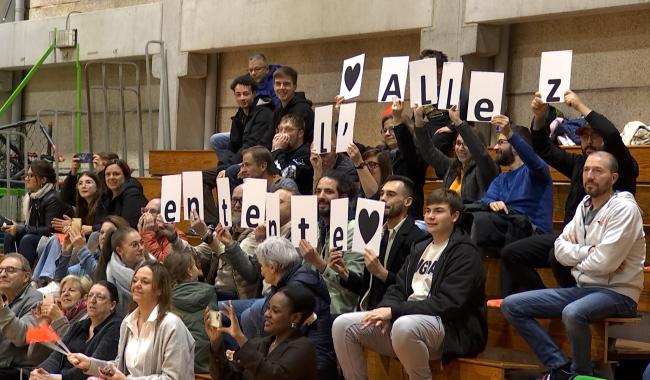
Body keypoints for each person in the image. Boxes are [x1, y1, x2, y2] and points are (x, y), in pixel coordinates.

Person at [501, 151, 645, 380]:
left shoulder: (624, 209)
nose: (590, 175)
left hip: (619, 292)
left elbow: (605, 262)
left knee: (573, 312)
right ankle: (560, 367)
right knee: (512, 305)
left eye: (598, 171)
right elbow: (559, 250)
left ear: (614, 178)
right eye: (587, 170)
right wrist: (588, 253)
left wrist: (577, 260)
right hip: (585, 288)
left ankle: (581, 374)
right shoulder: (584, 206)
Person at [332, 188, 487, 380]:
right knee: (343, 325)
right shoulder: (420, 247)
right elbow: (397, 287)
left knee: (404, 326)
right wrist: (384, 310)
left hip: (450, 328)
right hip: (408, 324)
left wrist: (395, 312)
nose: (430, 216)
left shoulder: (465, 252)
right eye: (428, 211)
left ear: (454, 216)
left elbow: (448, 303)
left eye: (438, 211)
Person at [501, 90, 639, 295]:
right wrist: (539, 117)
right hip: (572, 236)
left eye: (594, 136)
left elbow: (611, 133)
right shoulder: (579, 164)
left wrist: (579, 106)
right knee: (512, 253)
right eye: (584, 137)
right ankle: (546, 298)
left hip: (605, 241)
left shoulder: (623, 166)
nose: (589, 142)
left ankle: (571, 297)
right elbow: (543, 148)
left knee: (555, 257)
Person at [223, 237, 336, 380]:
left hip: (312, 367)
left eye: (262, 265)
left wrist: (246, 352)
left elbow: (288, 343)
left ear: (272, 266)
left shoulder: (297, 288)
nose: (260, 270)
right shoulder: (286, 282)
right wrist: (243, 355)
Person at [68, 262, 195, 379]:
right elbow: (120, 366)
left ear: (159, 290)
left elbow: (173, 377)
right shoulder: (128, 322)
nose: (137, 285)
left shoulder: (172, 325)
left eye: (145, 282)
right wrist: (90, 364)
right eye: (135, 280)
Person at [337, 176, 429, 310]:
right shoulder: (374, 232)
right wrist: (344, 273)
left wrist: (381, 273)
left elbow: (412, 288)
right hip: (365, 309)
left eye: (390, 194)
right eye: (382, 194)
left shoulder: (418, 238)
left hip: (392, 312)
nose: (383, 198)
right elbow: (367, 287)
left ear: (407, 201)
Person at [469, 116, 553, 246]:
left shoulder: (536, 172)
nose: (495, 147)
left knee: (480, 221)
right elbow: (487, 199)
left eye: (501, 142)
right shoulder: (501, 178)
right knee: (465, 217)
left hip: (534, 232)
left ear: (515, 146)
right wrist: (492, 203)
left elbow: (533, 160)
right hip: (508, 226)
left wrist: (509, 133)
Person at [206, 284, 317, 380]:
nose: (266, 314)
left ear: (295, 317)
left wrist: (240, 337)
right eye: (268, 308)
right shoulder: (261, 343)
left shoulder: (304, 348)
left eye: (275, 311)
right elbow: (226, 377)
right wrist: (216, 343)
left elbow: (273, 376)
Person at [299, 171, 364, 314]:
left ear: (343, 198)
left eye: (328, 192)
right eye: (318, 191)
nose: (321, 196)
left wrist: (318, 262)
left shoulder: (355, 230)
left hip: (338, 304)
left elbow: (355, 284)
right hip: (310, 295)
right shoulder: (314, 227)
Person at [30, 281, 122, 380]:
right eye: (90, 296)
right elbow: (56, 357)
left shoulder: (115, 327)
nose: (92, 300)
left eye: (100, 297)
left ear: (112, 305)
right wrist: (40, 371)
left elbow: (95, 367)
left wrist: (57, 378)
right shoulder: (80, 325)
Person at [414, 104, 499, 203]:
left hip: (471, 216)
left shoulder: (486, 168)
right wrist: (419, 122)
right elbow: (429, 152)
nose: (461, 148)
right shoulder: (452, 166)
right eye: (458, 143)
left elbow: (481, 154)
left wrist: (458, 122)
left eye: (466, 144)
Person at [2, 160, 70, 265]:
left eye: (31, 176)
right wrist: (18, 227)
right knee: (10, 235)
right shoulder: (33, 197)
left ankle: (25, 273)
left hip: (56, 239)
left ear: (43, 179)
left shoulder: (53, 198)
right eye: (26, 175)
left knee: (27, 239)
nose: (26, 179)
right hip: (40, 235)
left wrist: (22, 229)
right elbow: (32, 226)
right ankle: (9, 267)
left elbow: (49, 229)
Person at [164, 251, 216, 374]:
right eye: (194, 266)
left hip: (178, 362)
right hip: (206, 361)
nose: (197, 269)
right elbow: (216, 326)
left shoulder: (164, 298)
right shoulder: (210, 291)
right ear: (189, 270)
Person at [0, 254, 50, 378]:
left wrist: (1, 309)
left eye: (10, 270)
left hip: (19, 370)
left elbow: (22, 337)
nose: (2, 274)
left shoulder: (37, 300)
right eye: (0, 270)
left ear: (26, 276)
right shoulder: (5, 299)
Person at [210, 74, 275, 168]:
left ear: (254, 93)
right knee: (216, 141)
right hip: (244, 152)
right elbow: (233, 144)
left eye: (246, 94)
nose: (242, 98)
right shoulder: (240, 114)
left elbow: (250, 146)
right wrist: (222, 166)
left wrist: (230, 166)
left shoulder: (264, 113)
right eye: (238, 95)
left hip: (257, 157)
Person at [56, 215, 130, 281]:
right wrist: (66, 253)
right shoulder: (95, 257)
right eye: (102, 232)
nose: (104, 236)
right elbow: (61, 279)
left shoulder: (124, 262)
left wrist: (81, 248)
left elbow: (99, 278)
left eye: (110, 233)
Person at [95, 226, 148, 316]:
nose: (141, 248)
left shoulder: (153, 268)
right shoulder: (106, 274)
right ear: (120, 251)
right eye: (134, 245)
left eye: (142, 243)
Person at [32, 275, 92, 340]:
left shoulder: (88, 318)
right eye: (63, 291)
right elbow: (41, 349)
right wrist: (43, 325)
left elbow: (71, 346)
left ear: (84, 297)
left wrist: (60, 319)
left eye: (71, 290)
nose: (65, 294)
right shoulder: (59, 316)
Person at [52, 171, 108, 236]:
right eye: (80, 183)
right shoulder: (82, 205)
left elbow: (102, 227)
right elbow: (65, 196)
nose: (83, 186)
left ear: (97, 186)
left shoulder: (103, 203)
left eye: (88, 182)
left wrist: (76, 226)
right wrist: (73, 226)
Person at [271, 114, 313, 195]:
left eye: (288, 129)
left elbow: (285, 176)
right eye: (280, 130)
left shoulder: (306, 154)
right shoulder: (280, 151)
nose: (282, 134)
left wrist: (278, 150)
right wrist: (274, 151)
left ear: (300, 133)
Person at [272, 66, 314, 143]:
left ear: (295, 86)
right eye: (278, 84)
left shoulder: (303, 110)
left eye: (286, 84)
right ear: (273, 86)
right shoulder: (277, 111)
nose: (281, 87)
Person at [103, 159, 148, 229]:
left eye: (116, 174)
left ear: (125, 176)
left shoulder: (133, 195)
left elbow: (130, 225)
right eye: (108, 174)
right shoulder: (106, 196)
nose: (111, 177)